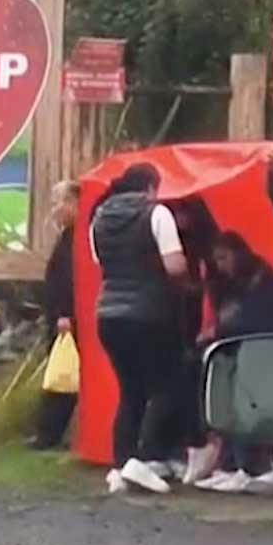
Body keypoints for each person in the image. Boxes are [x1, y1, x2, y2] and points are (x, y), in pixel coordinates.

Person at [90, 163, 189, 495]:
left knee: (130, 390)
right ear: (149, 187)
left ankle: (121, 464)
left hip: (108, 315)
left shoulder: (99, 218)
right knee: (165, 386)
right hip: (149, 313)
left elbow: (101, 263)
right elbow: (174, 265)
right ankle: (145, 459)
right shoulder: (156, 213)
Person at [195, 231, 273, 490]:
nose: (220, 265)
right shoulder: (231, 283)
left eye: (224, 258)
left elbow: (261, 322)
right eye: (217, 260)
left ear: (238, 254)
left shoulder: (264, 281)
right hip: (237, 349)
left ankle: (245, 465)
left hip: (262, 350)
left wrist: (218, 332)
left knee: (240, 401)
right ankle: (229, 463)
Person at [30, 181, 82, 450]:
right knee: (60, 374)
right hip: (58, 316)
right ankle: (49, 432)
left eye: (58, 202)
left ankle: (49, 434)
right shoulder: (67, 236)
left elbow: (69, 280)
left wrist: (65, 313)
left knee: (63, 377)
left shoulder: (78, 238)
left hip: (67, 319)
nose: (54, 210)